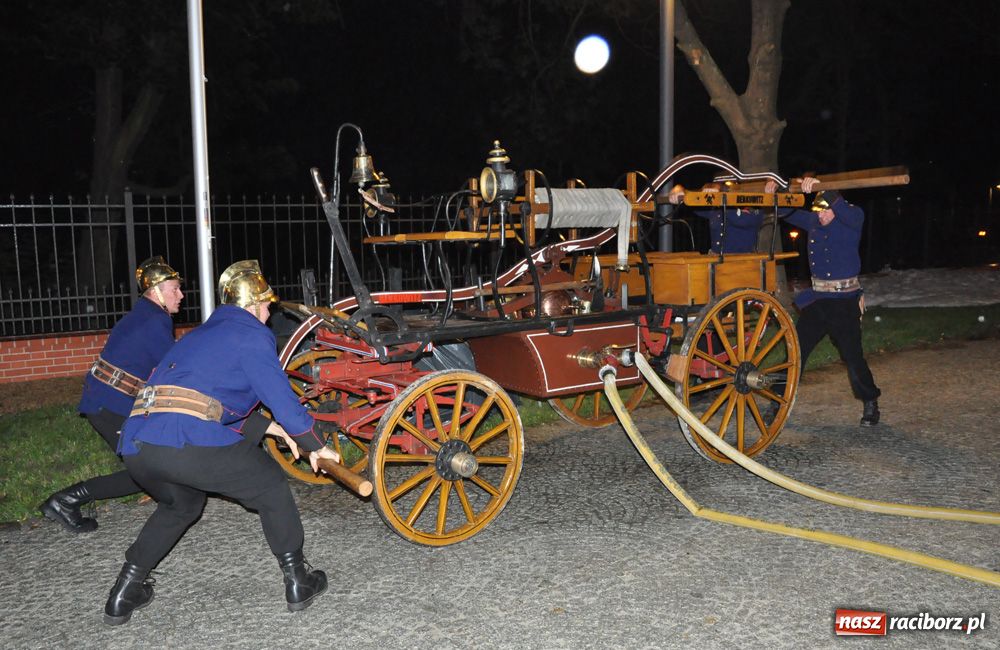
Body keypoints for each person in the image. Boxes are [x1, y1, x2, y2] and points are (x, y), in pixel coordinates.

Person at [103, 260, 340, 625]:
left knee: (182, 504)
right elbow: (279, 396)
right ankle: (298, 580)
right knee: (270, 485)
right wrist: (312, 442)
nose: (268, 312)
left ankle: (124, 591)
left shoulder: (200, 335)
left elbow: (206, 402)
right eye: (265, 305)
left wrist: (275, 431)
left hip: (139, 443)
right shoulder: (251, 334)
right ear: (250, 306)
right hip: (185, 441)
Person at [40, 256, 184, 533]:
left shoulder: (148, 315)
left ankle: (65, 500)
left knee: (152, 467)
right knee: (148, 471)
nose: (181, 294)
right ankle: (65, 500)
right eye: (174, 289)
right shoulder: (155, 320)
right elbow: (173, 369)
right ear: (156, 291)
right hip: (110, 406)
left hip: (110, 402)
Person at [784, 178, 881, 427]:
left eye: (825, 210)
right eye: (818, 211)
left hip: (844, 301)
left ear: (835, 207)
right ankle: (779, 400)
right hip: (818, 301)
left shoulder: (852, 218)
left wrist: (822, 188)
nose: (821, 217)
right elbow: (787, 211)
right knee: (797, 350)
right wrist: (778, 193)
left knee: (852, 356)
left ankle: (870, 401)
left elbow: (848, 212)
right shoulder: (814, 222)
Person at [668, 182, 765, 254]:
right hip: (715, 264)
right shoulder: (716, 209)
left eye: (728, 187)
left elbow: (739, 220)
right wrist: (680, 190)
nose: (727, 189)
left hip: (742, 266)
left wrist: (719, 193)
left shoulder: (755, 208)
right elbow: (692, 203)